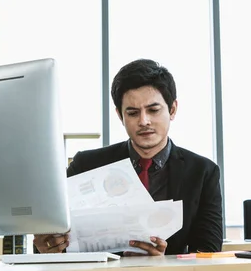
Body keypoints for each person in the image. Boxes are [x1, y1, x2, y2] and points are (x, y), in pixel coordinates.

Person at [34, 59, 223, 255]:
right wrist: (46, 245)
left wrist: (164, 263)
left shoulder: (203, 172)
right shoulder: (85, 166)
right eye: (132, 113)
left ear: (172, 109)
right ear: (120, 115)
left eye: (153, 110)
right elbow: (49, 238)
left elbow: (208, 252)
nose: (144, 121)